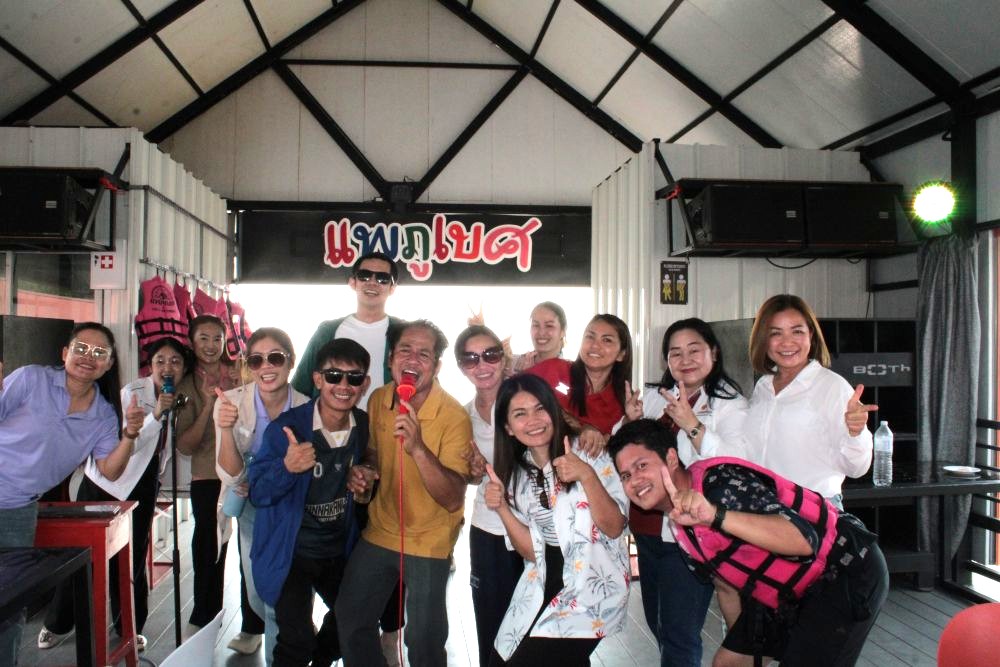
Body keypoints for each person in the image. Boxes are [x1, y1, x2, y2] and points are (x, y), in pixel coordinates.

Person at [609, 419, 889, 667]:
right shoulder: (680, 525)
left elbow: (804, 541)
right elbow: (726, 586)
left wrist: (714, 516)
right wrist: (747, 647)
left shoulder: (721, 485)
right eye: (626, 475)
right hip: (789, 589)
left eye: (642, 466)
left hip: (846, 568)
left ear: (671, 458)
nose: (635, 480)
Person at [0, 322, 142, 665]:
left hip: (17, 510)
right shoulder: (30, 379)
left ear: (109, 363)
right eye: (80, 348)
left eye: (99, 352)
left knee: (10, 604)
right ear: (65, 353)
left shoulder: (104, 415)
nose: (87, 357)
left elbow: (110, 471)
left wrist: (130, 435)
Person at [39, 336, 192, 653]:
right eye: (160, 361)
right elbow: (126, 442)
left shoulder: (178, 397)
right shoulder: (132, 393)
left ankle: (129, 627)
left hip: (142, 483)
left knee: (134, 556)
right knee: (81, 555)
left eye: (175, 362)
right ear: (150, 366)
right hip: (104, 481)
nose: (167, 367)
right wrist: (156, 415)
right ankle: (56, 623)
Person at [336, 319, 472, 667]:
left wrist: (418, 448)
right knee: (350, 616)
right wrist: (365, 470)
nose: (412, 359)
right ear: (391, 359)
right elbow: (372, 453)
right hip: (381, 529)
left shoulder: (454, 416)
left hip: (430, 537)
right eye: (405, 350)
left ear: (437, 367)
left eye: (424, 354)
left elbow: (453, 498)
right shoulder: (380, 398)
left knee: (423, 638)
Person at [618, 318, 749, 667]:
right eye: (675, 353)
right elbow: (622, 453)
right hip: (647, 528)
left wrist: (692, 424)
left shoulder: (730, 404)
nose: (685, 359)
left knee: (679, 633)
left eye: (694, 350)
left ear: (714, 353)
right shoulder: (653, 397)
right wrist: (629, 421)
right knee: (658, 623)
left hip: (691, 533)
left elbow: (736, 463)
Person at [483, 374, 629, 666]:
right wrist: (501, 508)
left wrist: (586, 474)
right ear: (508, 428)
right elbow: (530, 553)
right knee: (499, 659)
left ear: (553, 411)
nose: (533, 420)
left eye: (540, 408)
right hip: (543, 578)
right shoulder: (518, 474)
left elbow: (614, 527)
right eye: (520, 414)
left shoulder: (589, 452)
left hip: (591, 585)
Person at [248, 338, 371, 667]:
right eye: (333, 376)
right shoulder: (286, 429)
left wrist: (365, 474)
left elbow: (368, 466)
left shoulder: (363, 427)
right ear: (317, 379)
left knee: (353, 620)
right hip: (291, 553)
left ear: (364, 384)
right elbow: (257, 492)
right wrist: (287, 468)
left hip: (338, 549)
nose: (343, 385)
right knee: (295, 640)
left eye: (354, 378)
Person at [215, 327, 310, 659]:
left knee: (281, 598)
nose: (266, 366)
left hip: (291, 508)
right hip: (252, 506)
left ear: (291, 361)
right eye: (256, 360)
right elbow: (231, 473)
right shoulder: (230, 403)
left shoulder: (307, 407)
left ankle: (281, 654)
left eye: (276, 358)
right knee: (258, 593)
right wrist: (226, 429)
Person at [744, 295, 877, 506]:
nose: (787, 342)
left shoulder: (832, 386)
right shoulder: (763, 386)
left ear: (811, 335)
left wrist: (856, 433)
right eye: (775, 333)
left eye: (797, 331)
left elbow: (857, 469)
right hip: (763, 507)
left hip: (813, 510)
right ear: (763, 339)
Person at [454, 325, 524, 667]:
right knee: (490, 621)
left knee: (533, 622)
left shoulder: (526, 401)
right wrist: (473, 471)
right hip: (487, 528)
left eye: (490, 355)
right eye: (470, 358)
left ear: (503, 358)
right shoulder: (462, 415)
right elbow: (469, 477)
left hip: (533, 526)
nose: (481, 365)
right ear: (461, 367)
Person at [175, 313, 237, 627]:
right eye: (203, 338)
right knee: (208, 543)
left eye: (217, 339)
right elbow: (185, 446)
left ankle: (253, 624)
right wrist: (209, 408)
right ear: (191, 341)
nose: (211, 345)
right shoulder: (185, 384)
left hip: (245, 472)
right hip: (207, 475)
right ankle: (205, 614)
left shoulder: (240, 373)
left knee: (248, 546)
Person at [291, 251, 405, 408]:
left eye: (382, 278)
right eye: (364, 276)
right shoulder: (327, 331)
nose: (372, 282)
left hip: (388, 422)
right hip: (333, 423)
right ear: (353, 282)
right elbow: (300, 388)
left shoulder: (404, 333)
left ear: (392, 288)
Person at [527, 313, 632, 454]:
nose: (595, 345)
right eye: (590, 337)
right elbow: (512, 394)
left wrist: (630, 421)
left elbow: (609, 451)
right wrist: (580, 427)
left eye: (606, 340)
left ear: (621, 354)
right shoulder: (555, 369)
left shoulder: (619, 402)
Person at [505, 302, 567, 375]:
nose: (541, 332)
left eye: (549, 326)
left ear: (563, 331)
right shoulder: (512, 364)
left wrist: (525, 377)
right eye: (536, 325)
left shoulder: (570, 372)